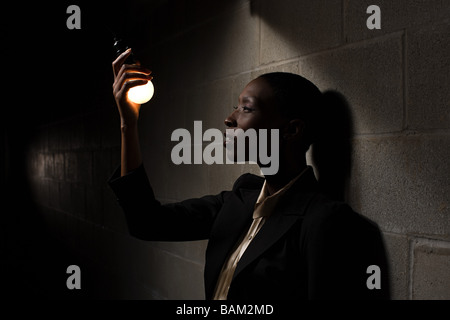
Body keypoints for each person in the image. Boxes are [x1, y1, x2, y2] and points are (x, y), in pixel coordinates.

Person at [108, 49, 389, 300]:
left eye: (246, 108)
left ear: (291, 130)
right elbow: (146, 222)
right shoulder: (242, 198)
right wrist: (127, 124)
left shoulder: (324, 221)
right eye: (236, 106)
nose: (230, 118)